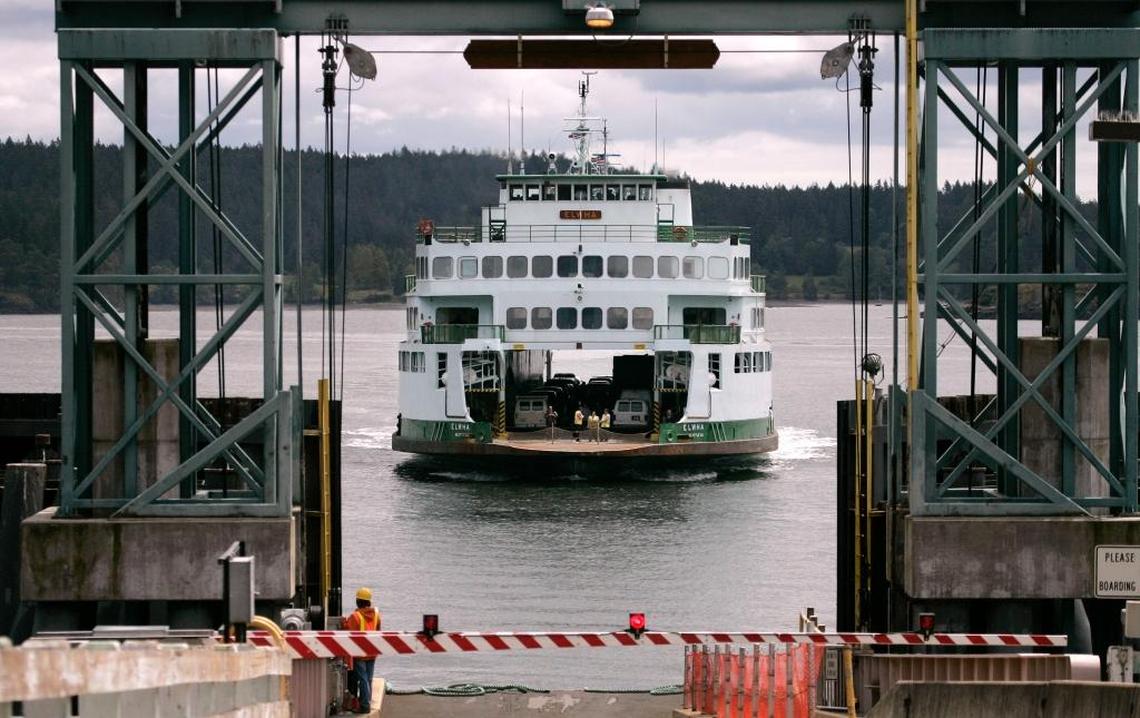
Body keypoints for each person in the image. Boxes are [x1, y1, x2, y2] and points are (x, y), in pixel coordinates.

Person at [342, 587, 382, 714]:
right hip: (372, 652)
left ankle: (364, 705)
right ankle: (366, 701)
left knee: (363, 679)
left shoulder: (356, 616)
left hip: (360, 653)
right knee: (368, 679)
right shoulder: (376, 614)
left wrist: (344, 622)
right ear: (369, 602)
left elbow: (348, 630)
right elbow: (378, 630)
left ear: (358, 601)